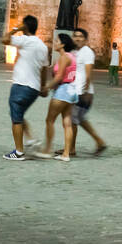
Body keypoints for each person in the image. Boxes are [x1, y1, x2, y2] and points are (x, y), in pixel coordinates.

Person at [3, 15, 49, 160]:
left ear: (25, 27)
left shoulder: (24, 40)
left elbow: (4, 39)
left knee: (16, 118)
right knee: (18, 113)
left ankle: (19, 152)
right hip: (34, 88)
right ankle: (30, 139)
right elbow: (44, 68)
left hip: (21, 84)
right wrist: (42, 86)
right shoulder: (42, 46)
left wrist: (16, 28)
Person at [34, 33, 79, 161]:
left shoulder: (64, 57)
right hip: (72, 91)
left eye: (57, 41)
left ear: (63, 44)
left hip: (63, 90)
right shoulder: (72, 57)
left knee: (49, 120)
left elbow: (59, 77)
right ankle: (66, 153)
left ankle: (47, 150)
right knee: (67, 122)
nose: (55, 42)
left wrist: (46, 87)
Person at [70, 28, 109, 156]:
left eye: (80, 36)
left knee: (73, 119)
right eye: (75, 36)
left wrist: (85, 91)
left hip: (83, 92)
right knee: (78, 119)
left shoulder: (87, 52)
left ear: (85, 39)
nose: (77, 38)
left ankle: (71, 148)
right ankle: (99, 142)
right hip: (77, 90)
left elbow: (88, 73)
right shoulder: (75, 52)